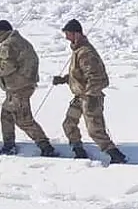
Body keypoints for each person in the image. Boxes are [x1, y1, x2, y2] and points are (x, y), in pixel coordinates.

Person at [52, 20, 127, 164]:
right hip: (80, 97)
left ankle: (117, 156)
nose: (66, 37)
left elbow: (98, 77)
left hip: (90, 98)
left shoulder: (85, 52)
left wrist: (89, 96)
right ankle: (79, 151)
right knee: (69, 124)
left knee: (95, 131)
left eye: (68, 34)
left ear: (77, 34)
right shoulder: (78, 51)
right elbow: (80, 75)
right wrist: (64, 80)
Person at [0, 20, 56, 156]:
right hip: (21, 85)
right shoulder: (17, 40)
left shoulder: (8, 44)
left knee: (23, 120)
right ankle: (9, 145)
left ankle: (45, 146)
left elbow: (7, 67)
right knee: (6, 114)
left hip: (19, 87)